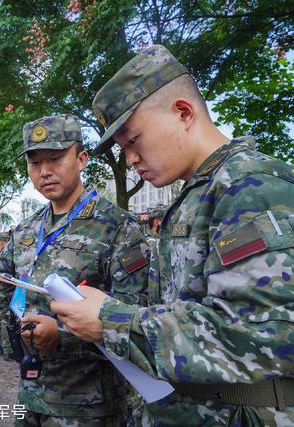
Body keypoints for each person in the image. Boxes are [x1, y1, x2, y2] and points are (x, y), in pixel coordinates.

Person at [50, 45, 294, 426]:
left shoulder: (250, 187)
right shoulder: (197, 194)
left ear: (183, 112)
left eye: (133, 140)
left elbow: (261, 336)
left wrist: (110, 319)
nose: (129, 159)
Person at [0, 114, 150, 426]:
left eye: (56, 158)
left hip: (89, 406)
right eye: (35, 163)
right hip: (31, 394)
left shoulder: (117, 227)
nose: (45, 171)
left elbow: (136, 316)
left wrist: (61, 336)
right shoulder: (27, 230)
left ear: (82, 159)